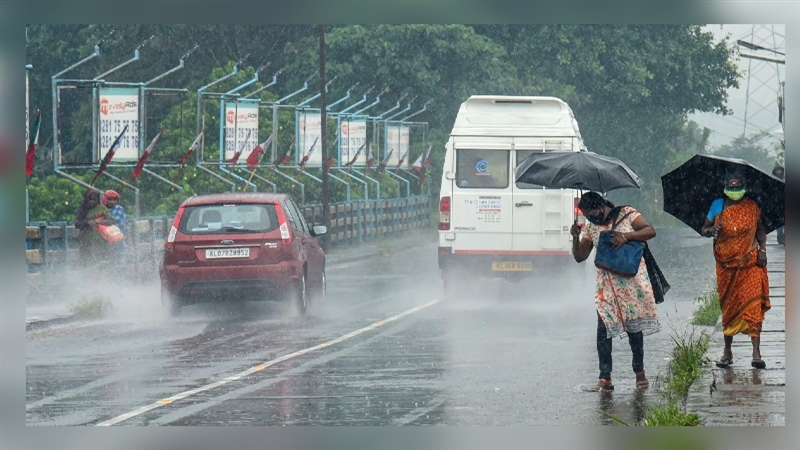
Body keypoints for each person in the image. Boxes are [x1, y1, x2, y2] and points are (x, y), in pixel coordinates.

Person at [570, 192, 660, 391]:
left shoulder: (628, 214)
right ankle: (605, 378)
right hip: (606, 287)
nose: (593, 218)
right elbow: (580, 257)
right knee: (603, 331)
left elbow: (649, 230)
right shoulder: (592, 227)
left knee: (634, 330)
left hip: (631, 283)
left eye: (594, 213)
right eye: (588, 215)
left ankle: (639, 372)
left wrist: (625, 237)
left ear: (603, 206)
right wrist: (576, 239)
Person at [701, 171, 770, 369]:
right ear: (724, 187)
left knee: (753, 306)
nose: (734, 189)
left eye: (737, 186)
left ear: (744, 187)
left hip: (750, 263)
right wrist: (712, 230)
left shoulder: (752, 206)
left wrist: (763, 251)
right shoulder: (717, 205)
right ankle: (727, 351)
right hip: (726, 266)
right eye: (731, 187)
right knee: (729, 306)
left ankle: (756, 354)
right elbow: (704, 228)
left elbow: (761, 231)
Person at [75, 188, 116, 267]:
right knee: (86, 261)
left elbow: (111, 220)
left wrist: (98, 222)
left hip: (100, 239)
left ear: (97, 199)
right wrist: (86, 222)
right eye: (89, 199)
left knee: (100, 261)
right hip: (85, 240)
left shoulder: (101, 208)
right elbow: (77, 224)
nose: (91, 201)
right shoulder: (83, 209)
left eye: (94, 199)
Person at [102, 189, 129, 265]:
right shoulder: (102, 210)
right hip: (106, 237)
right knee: (108, 256)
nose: (112, 201)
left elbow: (120, 222)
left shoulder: (119, 209)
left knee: (119, 254)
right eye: (110, 199)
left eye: (114, 199)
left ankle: (120, 269)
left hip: (118, 236)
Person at [772, 164, 785, 245]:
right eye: (778, 170)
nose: (779, 172)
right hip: (776, 206)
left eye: (780, 170)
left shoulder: (785, 180)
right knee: (779, 226)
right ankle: (780, 239)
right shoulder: (772, 181)